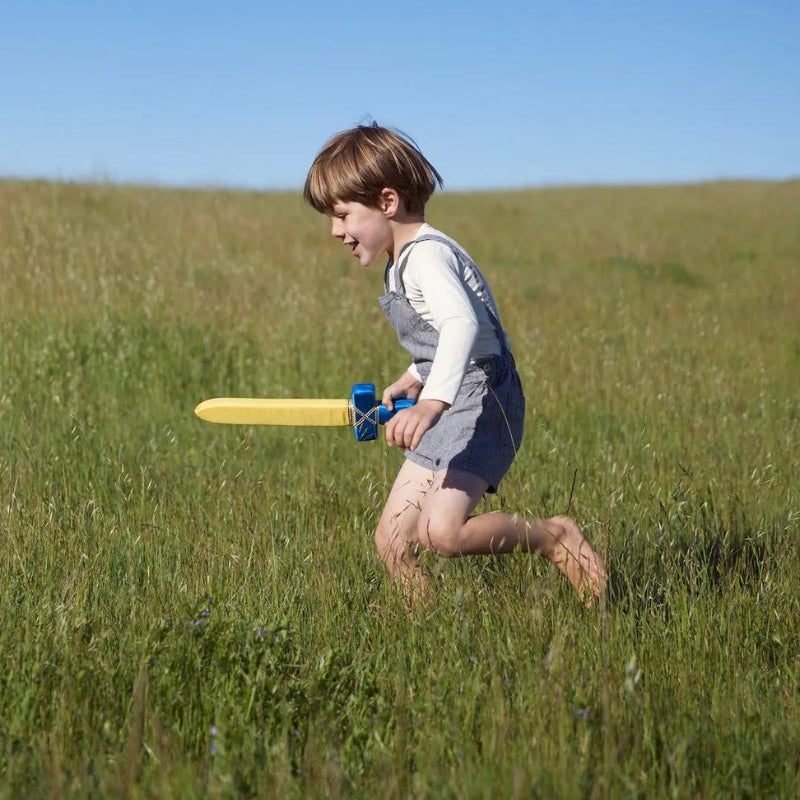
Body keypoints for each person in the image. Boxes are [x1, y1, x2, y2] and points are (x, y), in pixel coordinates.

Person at [303, 122, 607, 605]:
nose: (335, 232)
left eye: (342, 215)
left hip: (482, 399)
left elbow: (464, 328)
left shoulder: (427, 257)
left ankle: (554, 536)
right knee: (393, 543)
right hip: (449, 398)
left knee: (441, 533)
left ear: (386, 202)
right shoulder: (399, 262)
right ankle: (428, 638)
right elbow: (442, 340)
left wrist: (431, 403)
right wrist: (415, 378)